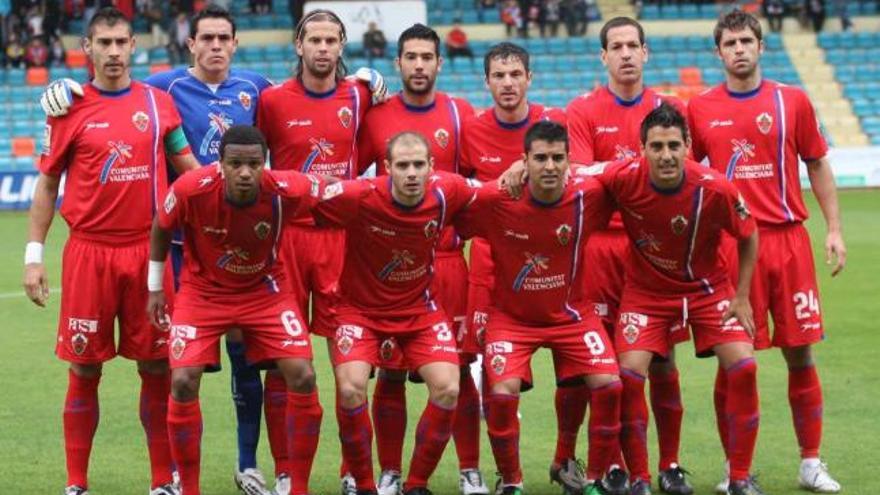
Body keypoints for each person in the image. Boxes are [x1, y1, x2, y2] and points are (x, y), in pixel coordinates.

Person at [22, 7, 200, 495]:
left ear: (134, 46)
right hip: (89, 255)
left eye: (122, 42)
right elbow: (46, 185)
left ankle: (163, 481)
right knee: (84, 367)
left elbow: (187, 165)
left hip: (149, 256)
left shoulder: (158, 103)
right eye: (105, 44)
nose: (115, 52)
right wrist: (33, 256)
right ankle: (76, 483)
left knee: (157, 367)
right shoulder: (67, 109)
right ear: (88, 48)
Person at [687, 9, 845, 494]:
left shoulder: (791, 101)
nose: (738, 49)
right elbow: (688, 179)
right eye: (729, 43)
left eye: (745, 41)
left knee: (800, 353)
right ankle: (736, 470)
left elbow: (816, 163)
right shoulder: (699, 108)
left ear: (761, 46)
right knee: (733, 361)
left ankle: (811, 462)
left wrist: (833, 229)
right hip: (731, 250)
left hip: (788, 241)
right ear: (718, 52)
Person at [587, 103, 761, 495]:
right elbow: (575, 171)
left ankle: (739, 478)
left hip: (708, 290)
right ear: (641, 149)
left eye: (673, 146)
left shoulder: (715, 187)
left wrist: (744, 296)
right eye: (656, 147)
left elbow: (749, 235)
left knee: (744, 368)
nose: (665, 155)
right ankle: (642, 479)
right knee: (629, 377)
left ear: (687, 147)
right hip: (646, 294)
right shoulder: (624, 176)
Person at [146, 125, 326, 495]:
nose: (246, 172)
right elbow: (161, 227)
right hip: (203, 294)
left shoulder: (286, 187)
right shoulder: (190, 188)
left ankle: (299, 488)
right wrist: (154, 286)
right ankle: (190, 489)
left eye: (254, 164)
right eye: (236, 164)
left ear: (265, 164)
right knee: (181, 381)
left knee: (304, 376)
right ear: (220, 165)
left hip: (266, 292)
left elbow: (340, 195)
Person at [255, 9, 386, 494]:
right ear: (298, 45)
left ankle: (355, 473)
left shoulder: (360, 93)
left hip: (342, 239)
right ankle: (288, 471)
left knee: (348, 367)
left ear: (342, 45)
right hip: (286, 240)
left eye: (333, 40)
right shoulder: (270, 101)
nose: (324, 48)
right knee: (283, 362)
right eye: (315, 40)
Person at [456, 121, 625, 495]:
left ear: (569, 160)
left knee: (610, 386)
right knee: (501, 394)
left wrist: (582, 168)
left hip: (572, 314)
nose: (550, 166)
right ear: (524, 161)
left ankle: (593, 480)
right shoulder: (497, 198)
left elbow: (628, 171)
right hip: (512, 319)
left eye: (557, 158)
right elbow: (452, 200)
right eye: (541, 158)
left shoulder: (589, 195)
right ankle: (511, 481)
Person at [356, 23, 487, 495]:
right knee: (389, 372)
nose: (417, 65)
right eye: (409, 57)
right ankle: (391, 471)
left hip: (448, 262)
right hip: (389, 268)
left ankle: (469, 469)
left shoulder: (459, 112)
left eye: (426, 57)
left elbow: (472, 191)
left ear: (438, 62)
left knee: (461, 370)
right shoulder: (373, 116)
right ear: (398, 62)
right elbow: (357, 187)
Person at [564, 16, 691, 495]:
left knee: (662, 359)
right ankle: (615, 464)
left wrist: (613, 169)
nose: (625, 54)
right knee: (612, 366)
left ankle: (671, 463)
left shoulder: (670, 108)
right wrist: (634, 166)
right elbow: (579, 174)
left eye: (632, 45)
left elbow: (684, 170)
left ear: (646, 52)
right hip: (599, 249)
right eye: (615, 46)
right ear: (603, 56)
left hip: (657, 248)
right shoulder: (582, 110)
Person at [313, 132, 478, 495]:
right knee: (352, 388)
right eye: (402, 165)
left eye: (419, 164)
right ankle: (366, 485)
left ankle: (416, 485)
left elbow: (491, 192)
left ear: (432, 168)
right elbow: (304, 198)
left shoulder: (446, 191)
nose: (412, 173)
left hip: (420, 310)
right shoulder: (361, 196)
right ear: (387, 168)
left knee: (449, 388)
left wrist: (518, 171)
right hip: (359, 312)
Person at [457, 41, 568, 492]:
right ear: (487, 82)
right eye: (499, 75)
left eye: (515, 74)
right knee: (483, 370)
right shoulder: (471, 130)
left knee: (577, 369)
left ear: (529, 78)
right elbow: (462, 194)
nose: (508, 82)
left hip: (552, 265)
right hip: (489, 267)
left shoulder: (554, 123)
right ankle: (495, 474)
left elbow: (574, 173)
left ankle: (567, 460)